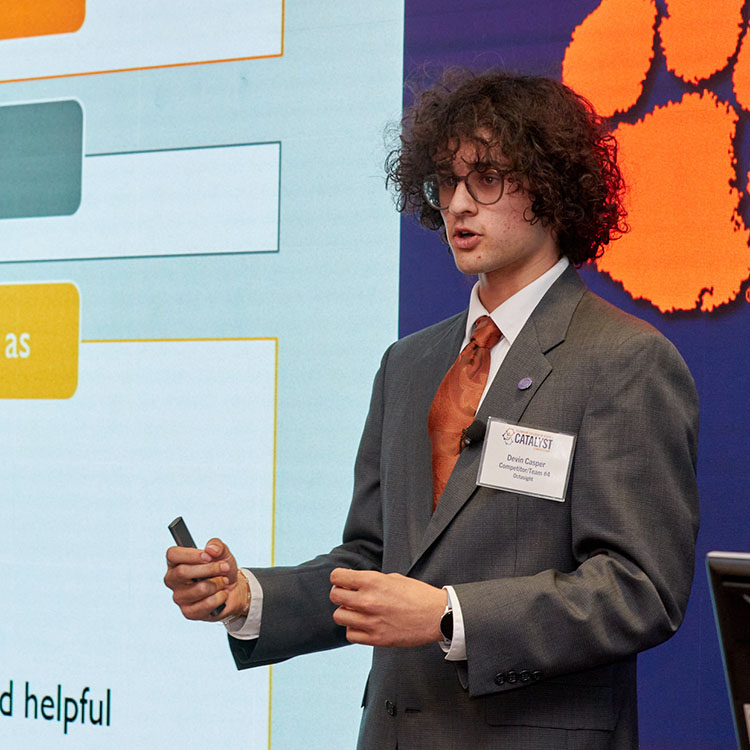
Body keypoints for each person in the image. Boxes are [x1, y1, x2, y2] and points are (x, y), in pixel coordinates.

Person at [164, 70, 699, 750]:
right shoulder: (409, 365)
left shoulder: (623, 361)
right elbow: (374, 559)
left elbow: (638, 589)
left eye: (486, 179)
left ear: (551, 183)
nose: (457, 205)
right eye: (444, 182)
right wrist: (248, 596)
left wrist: (453, 616)